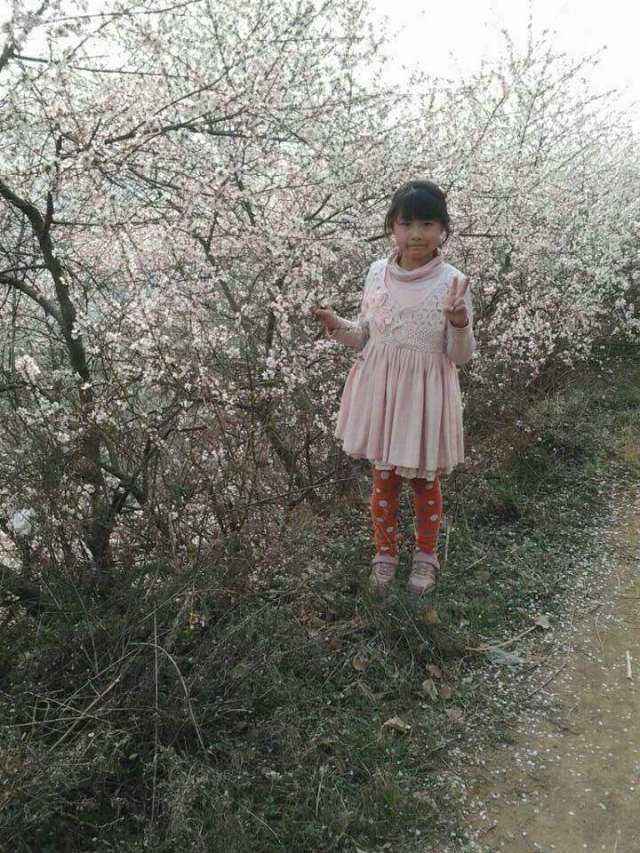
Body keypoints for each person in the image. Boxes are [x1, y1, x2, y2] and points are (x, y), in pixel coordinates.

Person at [312, 180, 476, 596]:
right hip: (382, 391)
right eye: (406, 224)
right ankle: (385, 554)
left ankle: (426, 556)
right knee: (383, 479)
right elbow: (366, 335)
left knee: (424, 481)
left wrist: (459, 323)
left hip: (425, 397)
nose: (416, 234)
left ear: (443, 230)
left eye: (428, 224)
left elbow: (459, 356)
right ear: (392, 228)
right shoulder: (376, 273)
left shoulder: (454, 283)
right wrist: (335, 324)